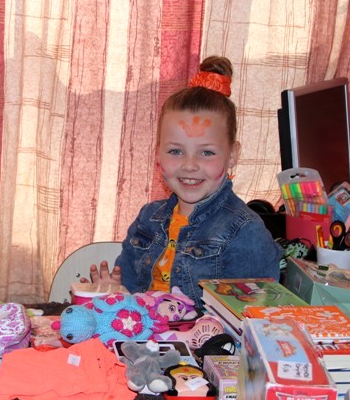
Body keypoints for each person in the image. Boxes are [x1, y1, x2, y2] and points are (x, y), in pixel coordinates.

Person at [89, 63, 281, 302]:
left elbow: (252, 313)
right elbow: (128, 297)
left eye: (207, 152)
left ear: (232, 155)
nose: (189, 165)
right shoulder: (147, 219)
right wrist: (115, 294)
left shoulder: (245, 231)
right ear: (157, 153)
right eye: (175, 151)